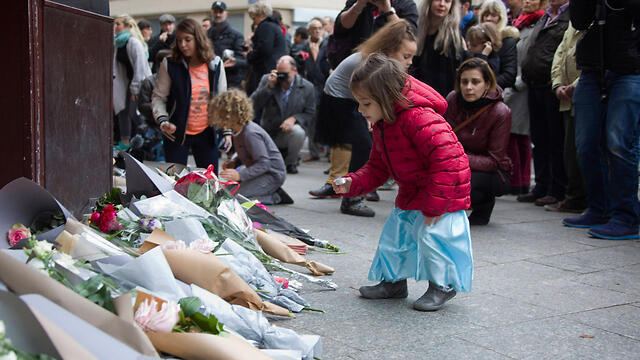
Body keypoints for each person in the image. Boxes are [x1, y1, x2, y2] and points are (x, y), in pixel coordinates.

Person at [333, 53, 472, 311]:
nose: (361, 110)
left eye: (366, 103)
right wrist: (353, 183)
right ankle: (394, 282)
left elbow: (450, 160)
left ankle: (443, 285)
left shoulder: (420, 118)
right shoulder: (384, 123)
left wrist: (436, 205)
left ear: (385, 98)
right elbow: (377, 166)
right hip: (412, 192)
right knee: (395, 237)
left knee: (436, 239)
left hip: (443, 196)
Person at [311, 19, 418, 217]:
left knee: (361, 145)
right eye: (406, 56)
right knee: (363, 145)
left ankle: (352, 188)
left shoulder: (378, 60)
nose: (410, 62)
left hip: (346, 98)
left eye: (412, 57)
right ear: (389, 50)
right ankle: (352, 199)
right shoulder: (373, 63)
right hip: (339, 100)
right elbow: (371, 94)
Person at [562, 0, 640, 240]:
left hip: (630, 70)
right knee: (585, 145)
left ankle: (626, 216)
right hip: (592, 70)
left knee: (619, 143)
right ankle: (599, 207)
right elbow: (580, 21)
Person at [152, 18, 231, 172]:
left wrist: (227, 131)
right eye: (179, 40)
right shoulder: (170, 64)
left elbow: (223, 101)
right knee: (175, 183)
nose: (182, 45)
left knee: (209, 183)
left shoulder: (215, 64)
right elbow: (158, 97)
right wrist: (163, 121)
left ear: (199, 39)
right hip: (176, 133)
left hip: (207, 133)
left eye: (188, 40)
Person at [445, 58, 512, 225]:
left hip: (488, 172)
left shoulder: (500, 112)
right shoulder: (453, 99)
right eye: (464, 82)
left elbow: (495, 161)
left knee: (467, 180)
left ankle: (483, 204)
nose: (468, 87)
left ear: (487, 84)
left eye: (475, 82)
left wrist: (459, 158)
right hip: (454, 161)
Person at [519, 0, 570, 206]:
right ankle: (541, 186)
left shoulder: (570, 16)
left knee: (555, 140)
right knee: (539, 139)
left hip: (551, 86)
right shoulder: (546, 16)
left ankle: (557, 189)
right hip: (534, 84)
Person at [209, 89, 292, 205]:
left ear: (232, 115)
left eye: (220, 116)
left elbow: (264, 163)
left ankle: (275, 196)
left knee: (235, 199)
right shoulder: (238, 130)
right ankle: (265, 191)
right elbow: (248, 153)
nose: (218, 120)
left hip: (271, 175)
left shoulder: (250, 133)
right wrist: (235, 163)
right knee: (226, 193)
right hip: (259, 173)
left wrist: (239, 175)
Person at [503, 0, 545, 196]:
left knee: (521, 138)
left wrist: (518, 82)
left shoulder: (539, 22)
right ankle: (517, 181)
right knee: (514, 136)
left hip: (523, 86)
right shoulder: (520, 23)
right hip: (517, 85)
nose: (528, 1)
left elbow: (533, 57)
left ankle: (522, 182)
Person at [546, 24, 587, 213]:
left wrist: (576, 85)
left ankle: (587, 200)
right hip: (566, 97)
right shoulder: (572, 23)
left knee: (586, 150)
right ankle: (574, 197)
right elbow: (560, 55)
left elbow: (592, 60)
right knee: (569, 151)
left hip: (586, 93)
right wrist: (557, 84)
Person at [250, 55, 316, 174]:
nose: (282, 77)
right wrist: (269, 87)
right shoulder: (268, 80)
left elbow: (310, 114)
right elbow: (253, 104)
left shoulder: (307, 87)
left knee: (298, 132)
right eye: (279, 73)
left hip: (287, 133)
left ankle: (290, 163)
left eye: (285, 74)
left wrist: (294, 118)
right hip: (268, 131)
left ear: (294, 71)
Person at [329, 0, 418, 68]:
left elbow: (409, 36)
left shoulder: (406, 4)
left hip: (387, 65)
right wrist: (359, 5)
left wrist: (388, 10)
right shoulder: (357, 1)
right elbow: (341, 26)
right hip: (355, 61)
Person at [411, 0, 467, 97]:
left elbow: (451, 76)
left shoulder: (453, 37)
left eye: (447, 1)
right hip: (417, 93)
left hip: (442, 97)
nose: (442, 4)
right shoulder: (417, 28)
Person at [113, 15, 152, 150]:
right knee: (122, 110)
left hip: (138, 82)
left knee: (134, 113)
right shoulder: (118, 43)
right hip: (125, 82)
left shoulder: (133, 42)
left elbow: (140, 67)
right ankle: (125, 143)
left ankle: (145, 139)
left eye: (118, 24)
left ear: (127, 26)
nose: (115, 27)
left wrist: (135, 88)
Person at [246, 1, 287, 95]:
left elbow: (264, 49)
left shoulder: (265, 26)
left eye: (254, 18)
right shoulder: (275, 26)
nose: (254, 21)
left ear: (261, 15)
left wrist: (250, 55)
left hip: (265, 70)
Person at [207, 1, 248, 89]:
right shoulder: (206, 35)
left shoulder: (236, 35)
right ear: (211, 13)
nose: (217, 15)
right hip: (210, 79)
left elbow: (243, 59)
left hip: (230, 80)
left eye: (220, 12)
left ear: (226, 13)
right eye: (215, 12)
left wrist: (235, 62)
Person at [478, 0, 518, 89]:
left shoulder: (507, 41)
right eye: (486, 15)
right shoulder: (477, 39)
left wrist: (484, 85)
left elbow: (509, 76)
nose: (488, 18)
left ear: (501, 18)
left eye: (493, 15)